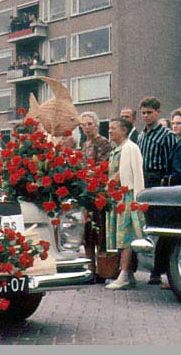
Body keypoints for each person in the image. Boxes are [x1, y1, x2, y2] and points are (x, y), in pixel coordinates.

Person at [137, 96, 176, 285]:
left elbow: (170, 161)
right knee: (146, 226)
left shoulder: (167, 135)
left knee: (161, 227)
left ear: (158, 113)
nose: (146, 116)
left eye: (149, 113)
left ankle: (159, 271)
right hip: (144, 178)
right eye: (143, 113)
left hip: (159, 179)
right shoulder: (141, 135)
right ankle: (149, 266)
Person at [105, 118, 146, 290]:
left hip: (127, 196)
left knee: (126, 235)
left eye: (113, 128)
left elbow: (129, 173)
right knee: (119, 235)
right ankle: (127, 274)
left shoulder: (130, 148)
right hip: (117, 197)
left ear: (123, 130)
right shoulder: (117, 149)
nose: (110, 131)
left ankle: (124, 274)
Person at [79, 111, 112, 282]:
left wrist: (90, 173)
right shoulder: (84, 144)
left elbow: (104, 166)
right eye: (83, 125)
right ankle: (90, 267)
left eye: (89, 124)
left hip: (98, 192)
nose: (86, 128)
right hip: (86, 192)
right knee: (88, 233)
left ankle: (102, 268)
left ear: (97, 125)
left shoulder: (104, 143)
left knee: (100, 231)